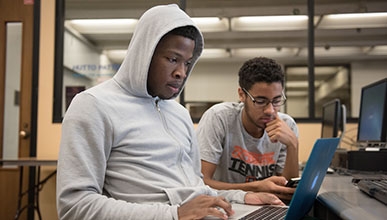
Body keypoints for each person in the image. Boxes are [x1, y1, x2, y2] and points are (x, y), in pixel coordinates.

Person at [56, 5, 285, 220]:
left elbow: (196, 187)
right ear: (143, 54)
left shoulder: (179, 113)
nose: (181, 73)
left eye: (187, 63)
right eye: (173, 59)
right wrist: (174, 214)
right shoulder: (93, 105)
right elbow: (75, 205)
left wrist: (244, 197)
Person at [196, 57, 299, 200]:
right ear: (242, 95)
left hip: (267, 206)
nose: (270, 110)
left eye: (276, 101)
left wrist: (293, 145)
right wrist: (255, 187)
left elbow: (286, 193)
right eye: (260, 101)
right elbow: (201, 183)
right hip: (227, 204)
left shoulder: (287, 125)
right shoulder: (220, 118)